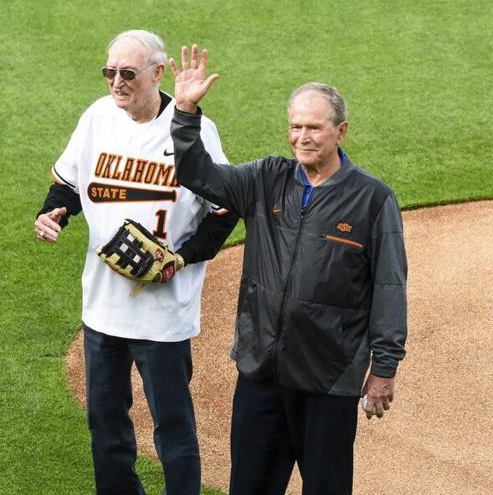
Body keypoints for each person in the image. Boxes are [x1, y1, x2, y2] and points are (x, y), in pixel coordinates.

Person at [169, 45, 408, 494]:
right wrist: (185, 111)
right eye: (295, 126)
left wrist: (384, 367)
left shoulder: (373, 200)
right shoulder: (264, 179)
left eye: (314, 127)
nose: (302, 136)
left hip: (328, 379)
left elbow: (390, 286)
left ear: (341, 132)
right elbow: (197, 174)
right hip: (261, 373)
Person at [34, 32, 237, 495]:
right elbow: (68, 184)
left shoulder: (194, 130)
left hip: (163, 313)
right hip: (102, 309)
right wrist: (55, 213)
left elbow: (226, 208)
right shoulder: (97, 118)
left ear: (157, 72)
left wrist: (180, 258)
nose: (117, 83)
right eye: (110, 72)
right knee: (105, 424)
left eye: (128, 73)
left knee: (172, 427)